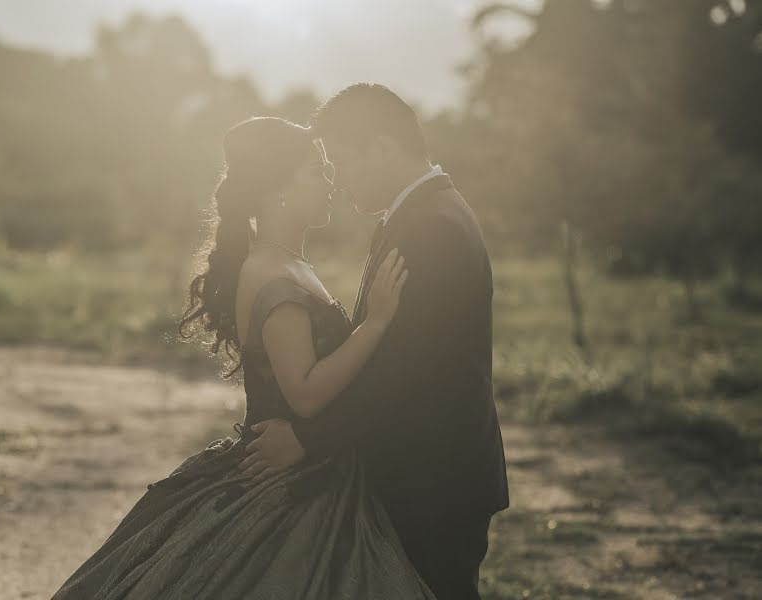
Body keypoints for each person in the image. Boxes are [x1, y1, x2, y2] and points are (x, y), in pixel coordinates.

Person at [49, 116, 437, 599]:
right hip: (289, 485)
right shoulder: (273, 274)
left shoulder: (290, 262)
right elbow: (306, 393)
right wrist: (375, 324)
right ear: (277, 190)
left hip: (317, 470)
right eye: (316, 172)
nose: (331, 181)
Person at [239, 84, 510, 600]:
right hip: (425, 468)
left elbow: (406, 368)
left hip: (434, 475)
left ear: (382, 148)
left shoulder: (433, 227)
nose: (337, 180)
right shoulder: (419, 214)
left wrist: (306, 439)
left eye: (341, 161)